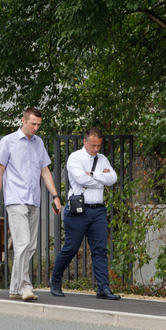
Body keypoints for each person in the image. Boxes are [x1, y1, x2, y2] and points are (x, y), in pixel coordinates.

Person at [0, 107, 62, 301]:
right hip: (15, 199)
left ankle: (15, 289)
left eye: (38, 125)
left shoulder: (39, 143)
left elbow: (45, 171)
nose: (36, 128)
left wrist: (55, 196)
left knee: (29, 246)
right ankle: (25, 286)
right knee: (22, 243)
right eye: (33, 124)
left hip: (34, 200)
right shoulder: (8, 142)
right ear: (23, 121)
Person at [50, 127, 121, 300]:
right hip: (78, 211)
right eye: (93, 145)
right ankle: (55, 280)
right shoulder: (75, 158)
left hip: (98, 210)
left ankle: (103, 288)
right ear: (85, 141)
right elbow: (81, 179)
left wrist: (93, 175)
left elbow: (113, 178)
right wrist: (101, 179)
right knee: (71, 248)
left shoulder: (102, 159)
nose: (96, 149)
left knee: (100, 250)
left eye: (98, 145)